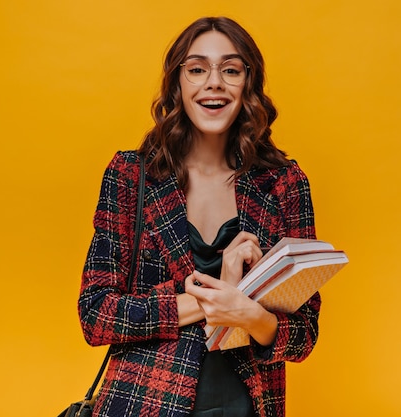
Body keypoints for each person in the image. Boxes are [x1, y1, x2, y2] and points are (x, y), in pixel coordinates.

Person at [78, 16, 321, 417]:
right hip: (142, 405)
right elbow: (96, 314)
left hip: (248, 405)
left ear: (249, 84)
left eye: (230, 69)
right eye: (196, 69)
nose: (214, 83)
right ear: (178, 85)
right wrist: (209, 301)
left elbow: (305, 335)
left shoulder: (284, 183)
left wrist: (253, 317)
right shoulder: (131, 176)